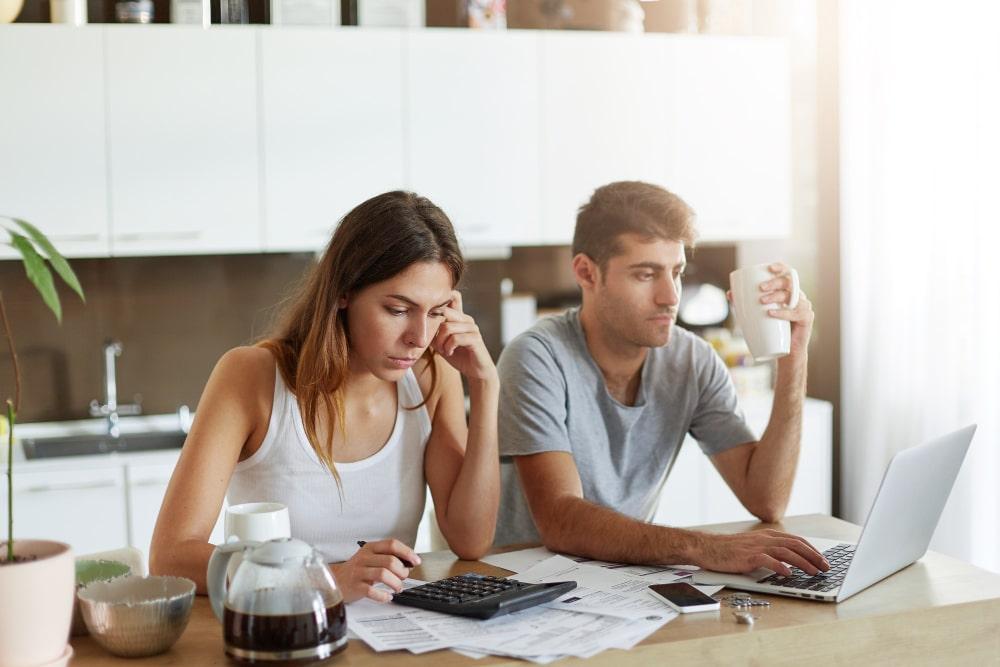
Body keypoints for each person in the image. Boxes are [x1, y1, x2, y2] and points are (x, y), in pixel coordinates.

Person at [150, 191, 500, 603]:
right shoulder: (252, 377)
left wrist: (485, 386)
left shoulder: (430, 376)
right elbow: (171, 557)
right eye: (398, 309)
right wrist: (323, 578)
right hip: (282, 633)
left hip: (388, 634)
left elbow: (471, 539)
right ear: (343, 293)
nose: (418, 338)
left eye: (438, 310)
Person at [495, 181, 830, 578]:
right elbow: (560, 518)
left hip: (626, 579)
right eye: (646, 274)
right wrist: (703, 548)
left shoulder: (691, 360)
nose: (671, 297)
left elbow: (767, 499)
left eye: (677, 272)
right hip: (524, 583)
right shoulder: (536, 357)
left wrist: (793, 357)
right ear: (587, 273)